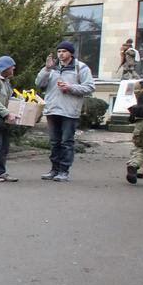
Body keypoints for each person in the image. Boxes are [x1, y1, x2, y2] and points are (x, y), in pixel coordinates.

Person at [35, 41, 95, 182]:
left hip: (69, 110)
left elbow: (90, 87)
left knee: (66, 142)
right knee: (54, 142)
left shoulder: (80, 68)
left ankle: (64, 171)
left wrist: (70, 87)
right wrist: (46, 69)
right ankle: (54, 169)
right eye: (59, 51)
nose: (61, 54)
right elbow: (39, 83)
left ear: (71, 53)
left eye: (64, 51)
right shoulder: (52, 68)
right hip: (52, 109)